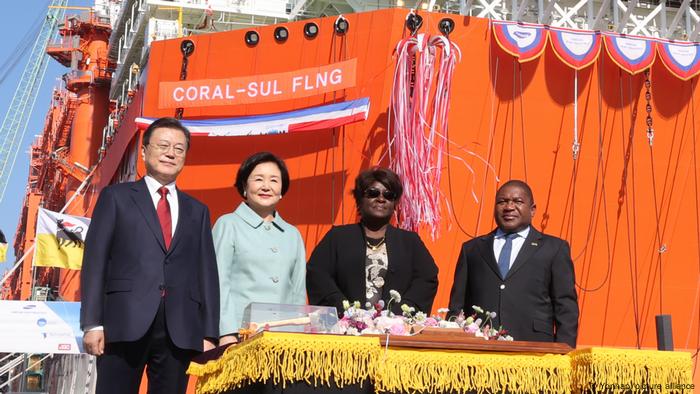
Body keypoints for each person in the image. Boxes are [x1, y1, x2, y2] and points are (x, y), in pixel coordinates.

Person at [80, 117, 220, 394]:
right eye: (164, 145)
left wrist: (209, 332)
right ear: (144, 152)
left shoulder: (198, 211)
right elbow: (95, 262)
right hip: (123, 322)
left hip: (179, 329)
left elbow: (207, 273)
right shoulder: (116, 197)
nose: (171, 153)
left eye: (179, 149)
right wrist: (92, 323)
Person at [448, 180, 579, 347]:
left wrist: (563, 352)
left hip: (534, 348)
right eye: (502, 201)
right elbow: (457, 306)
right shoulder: (472, 249)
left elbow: (565, 307)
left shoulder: (554, 248)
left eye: (518, 201)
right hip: (480, 349)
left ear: (532, 210)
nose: (509, 207)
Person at [307, 167, 438, 316]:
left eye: (388, 195)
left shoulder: (410, 242)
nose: (381, 198)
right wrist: (345, 310)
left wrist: (400, 311)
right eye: (373, 193)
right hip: (346, 329)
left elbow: (427, 279)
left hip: (395, 330)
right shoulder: (337, 237)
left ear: (394, 203)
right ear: (359, 199)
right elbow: (318, 274)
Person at [213, 152, 306, 345]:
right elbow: (218, 283)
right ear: (245, 186)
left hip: (282, 338)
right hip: (240, 336)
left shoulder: (292, 234)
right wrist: (226, 332)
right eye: (258, 179)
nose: (266, 186)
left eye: (274, 180)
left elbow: (297, 291)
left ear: (281, 190)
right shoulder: (228, 224)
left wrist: (298, 332)